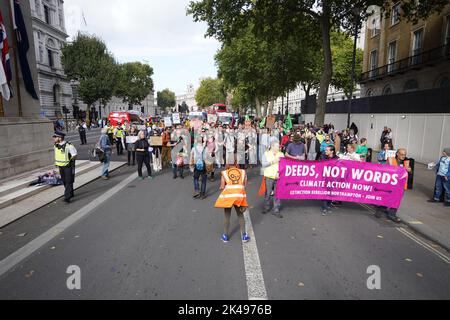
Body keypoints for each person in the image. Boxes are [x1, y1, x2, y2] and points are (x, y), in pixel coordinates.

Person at [215, 165, 250, 243]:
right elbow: (244, 185)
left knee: (227, 216)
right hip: (239, 197)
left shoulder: (224, 173)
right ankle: (244, 235)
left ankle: (225, 236)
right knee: (240, 215)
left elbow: (222, 186)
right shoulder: (243, 172)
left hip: (229, 197)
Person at [375, 148, 411, 222]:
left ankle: (392, 215)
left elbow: (409, 172)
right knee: (387, 197)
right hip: (391, 184)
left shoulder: (406, 162)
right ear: (397, 154)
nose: (403, 156)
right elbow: (385, 169)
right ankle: (381, 209)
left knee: (396, 200)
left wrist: (410, 170)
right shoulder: (391, 160)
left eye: (404, 154)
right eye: (402, 154)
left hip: (401, 185)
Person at [261, 141, 284, 218]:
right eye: (277, 146)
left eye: (279, 146)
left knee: (278, 194)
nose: (279, 148)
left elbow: (283, 165)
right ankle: (266, 207)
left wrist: (279, 172)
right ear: (273, 147)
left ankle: (276, 210)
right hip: (269, 176)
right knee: (268, 193)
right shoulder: (266, 154)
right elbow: (263, 164)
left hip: (278, 177)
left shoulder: (281, 154)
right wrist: (273, 162)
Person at [53, 131, 77, 203]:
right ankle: (71, 193)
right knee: (64, 181)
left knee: (68, 181)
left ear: (60, 138)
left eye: (55, 137)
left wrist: (71, 163)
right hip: (60, 167)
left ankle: (67, 197)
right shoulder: (55, 146)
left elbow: (75, 155)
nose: (53, 138)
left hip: (68, 166)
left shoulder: (69, 146)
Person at [320, 146, 339, 215]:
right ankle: (324, 208)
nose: (325, 151)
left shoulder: (337, 158)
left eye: (327, 150)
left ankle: (328, 205)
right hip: (324, 177)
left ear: (332, 151)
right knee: (324, 192)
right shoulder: (323, 157)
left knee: (330, 192)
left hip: (332, 178)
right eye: (325, 150)